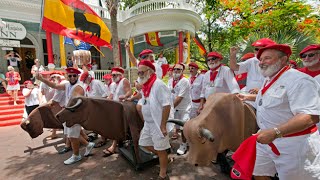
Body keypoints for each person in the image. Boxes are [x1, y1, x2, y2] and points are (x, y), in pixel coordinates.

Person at [246, 44, 320, 180]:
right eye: (260, 59)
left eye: (267, 58)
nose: (262, 62)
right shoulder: (269, 79)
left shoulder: (300, 80)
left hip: (293, 145)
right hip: (266, 139)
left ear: (284, 59)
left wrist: (275, 132)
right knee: (259, 173)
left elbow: (310, 116)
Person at [36, 67, 95, 165]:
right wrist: (42, 79)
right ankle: (88, 145)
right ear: (67, 76)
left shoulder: (78, 87)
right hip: (68, 112)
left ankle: (76, 156)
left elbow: (75, 102)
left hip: (74, 114)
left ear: (77, 76)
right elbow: (55, 85)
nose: (72, 77)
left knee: (72, 136)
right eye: (70, 76)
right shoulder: (67, 84)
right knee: (71, 135)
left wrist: (65, 112)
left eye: (74, 76)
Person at [137, 60, 172, 179]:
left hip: (158, 123)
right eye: (139, 73)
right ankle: (165, 158)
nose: (139, 75)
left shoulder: (159, 84)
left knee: (161, 148)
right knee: (143, 143)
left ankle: (163, 174)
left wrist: (163, 125)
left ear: (150, 72)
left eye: (142, 73)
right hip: (148, 123)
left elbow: (166, 105)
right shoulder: (146, 85)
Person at [103, 67, 132, 156]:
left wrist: (124, 96)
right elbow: (112, 95)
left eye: (115, 75)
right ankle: (118, 143)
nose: (113, 76)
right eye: (112, 75)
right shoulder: (114, 84)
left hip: (124, 107)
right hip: (116, 108)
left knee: (117, 126)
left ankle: (113, 146)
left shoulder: (124, 80)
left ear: (120, 75)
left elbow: (129, 92)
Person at [167, 63, 191, 155]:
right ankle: (167, 144)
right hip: (173, 108)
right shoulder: (170, 80)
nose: (176, 71)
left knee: (183, 127)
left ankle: (184, 145)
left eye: (179, 69)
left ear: (182, 71)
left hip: (183, 109)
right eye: (175, 69)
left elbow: (179, 98)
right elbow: (167, 94)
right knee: (171, 126)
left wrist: (170, 109)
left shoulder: (185, 81)